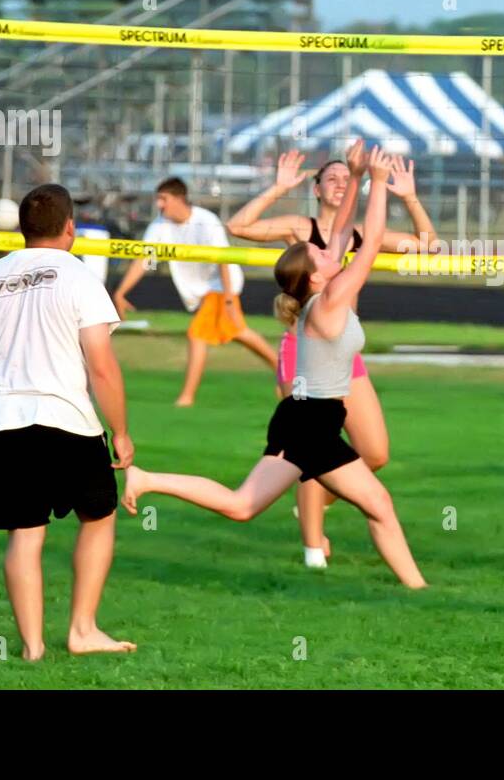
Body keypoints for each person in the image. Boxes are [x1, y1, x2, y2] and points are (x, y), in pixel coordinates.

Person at [121, 149, 427, 589]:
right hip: (310, 425)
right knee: (375, 501)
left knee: (244, 505)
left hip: (307, 420)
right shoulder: (331, 301)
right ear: (314, 276)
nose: (327, 252)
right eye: (318, 255)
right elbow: (371, 241)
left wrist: (358, 175)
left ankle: (146, 478)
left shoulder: (322, 291)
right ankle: (415, 588)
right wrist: (377, 183)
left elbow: (343, 232)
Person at [226, 140, 437, 568]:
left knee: (374, 454)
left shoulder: (350, 236)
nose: (341, 183)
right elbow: (238, 225)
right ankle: (312, 547)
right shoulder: (303, 234)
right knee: (309, 443)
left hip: (344, 356)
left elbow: (430, 246)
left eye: (347, 177)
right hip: (303, 352)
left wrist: (408, 195)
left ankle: (316, 500)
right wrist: (279, 186)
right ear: (318, 188)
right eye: (332, 178)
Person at [0, 183, 136, 661]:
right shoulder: (77, 276)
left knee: (25, 534)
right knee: (98, 517)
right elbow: (101, 364)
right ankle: (82, 630)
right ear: (70, 228)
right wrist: (121, 432)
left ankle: (32, 648)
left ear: (21, 228)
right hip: (64, 418)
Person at [113, 178, 276, 406]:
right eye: (158, 199)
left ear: (180, 199)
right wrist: (121, 292)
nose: (159, 204)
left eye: (164, 199)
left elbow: (224, 260)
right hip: (202, 292)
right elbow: (145, 260)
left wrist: (229, 298)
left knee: (196, 334)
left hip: (220, 287)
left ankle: (186, 398)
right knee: (239, 332)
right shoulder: (160, 225)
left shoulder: (205, 220)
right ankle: (283, 370)